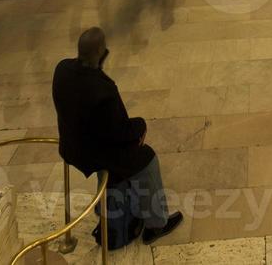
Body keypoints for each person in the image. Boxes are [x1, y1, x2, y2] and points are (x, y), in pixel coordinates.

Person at [52, 28, 185, 249]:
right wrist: (141, 126)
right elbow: (120, 131)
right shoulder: (103, 90)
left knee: (119, 167)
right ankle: (157, 224)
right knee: (147, 159)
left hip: (70, 145)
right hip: (94, 152)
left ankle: (112, 209)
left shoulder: (62, 69)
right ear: (100, 51)